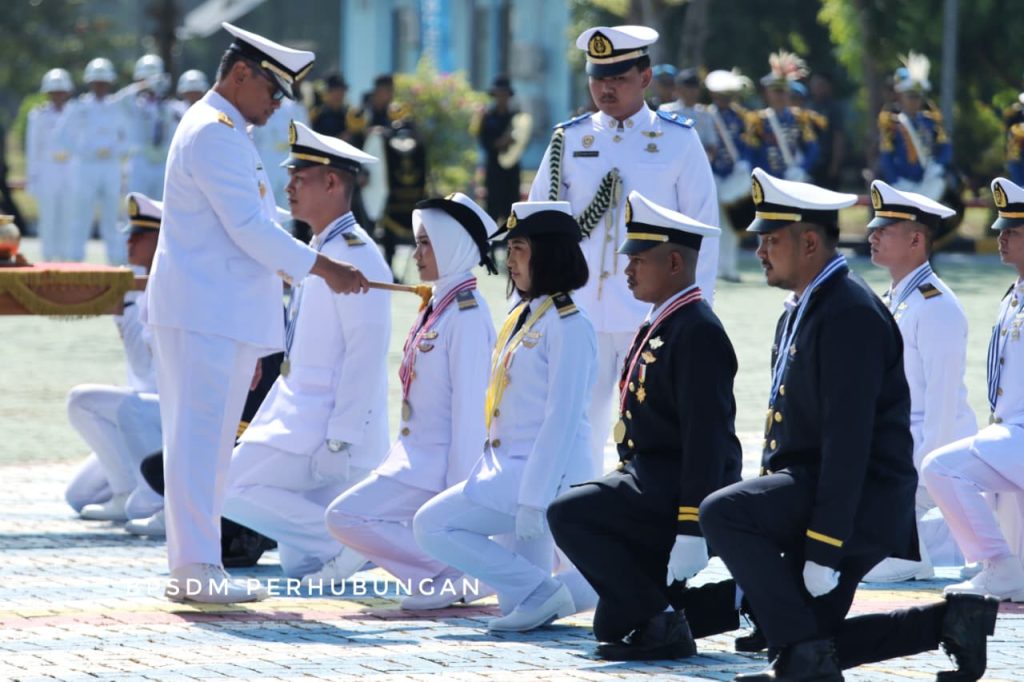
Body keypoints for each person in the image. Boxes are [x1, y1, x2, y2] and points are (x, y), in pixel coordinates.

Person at [698, 168, 1000, 682]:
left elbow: (849, 441)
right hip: (819, 493)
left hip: (856, 504)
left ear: (810, 241)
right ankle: (952, 623)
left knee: (723, 513)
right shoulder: (808, 304)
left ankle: (804, 657)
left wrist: (823, 544)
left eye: (771, 241)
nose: (760, 252)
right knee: (801, 638)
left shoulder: (847, 312)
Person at [146, 21, 369, 604]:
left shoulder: (225, 131)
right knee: (198, 447)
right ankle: (195, 570)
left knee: (209, 447)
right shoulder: (215, 133)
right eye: (272, 91)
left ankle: (198, 566)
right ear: (240, 74)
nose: (276, 105)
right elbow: (250, 232)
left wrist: (254, 340)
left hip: (217, 316)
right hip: (204, 314)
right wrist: (328, 269)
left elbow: (244, 238)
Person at [547, 191, 741, 661]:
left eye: (639, 260)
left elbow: (706, 439)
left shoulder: (696, 330)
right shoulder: (665, 319)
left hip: (675, 487)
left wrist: (692, 526)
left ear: (674, 262)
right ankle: (730, 602)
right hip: (649, 477)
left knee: (567, 514)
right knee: (611, 624)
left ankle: (667, 623)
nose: (627, 270)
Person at [529, 25, 719, 477]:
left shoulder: (677, 139)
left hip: (652, 316)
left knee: (648, 433)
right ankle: (569, 537)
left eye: (618, 77)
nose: (605, 88)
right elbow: (537, 227)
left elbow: (702, 232)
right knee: (572, 432)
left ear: (646, 77)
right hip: (581, 315)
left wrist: (695, 315)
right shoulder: (570, 140)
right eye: (598, 77)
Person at [222, 120, 391, 582]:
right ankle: (347, 540)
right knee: (299, 561)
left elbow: (366, 352)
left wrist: (342, 437)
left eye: (300, 177)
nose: (289, 187)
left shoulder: (354, 254)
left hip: (324, 425)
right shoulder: (322, 247)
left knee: (228, 487)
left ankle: (356, 542)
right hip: (299, 415)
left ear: (332, 183)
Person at [414, 200, 595, 632]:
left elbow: (561, 419)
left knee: (431, 525)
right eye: (509, 250)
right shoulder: (525, 315)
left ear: (548, 254)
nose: (509, 261)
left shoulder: (570, 324)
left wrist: (534, 499)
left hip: (541, 477)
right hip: (507, 469)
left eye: (519, 249)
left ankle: (586, 587)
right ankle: (565, 590)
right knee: (519, 603)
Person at [325, 192, 498, 608]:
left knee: (345, 517)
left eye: (427, 243)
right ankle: (450, 572)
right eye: (418, 242)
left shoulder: (468, 314)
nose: (417, 252)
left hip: (435, 466)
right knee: (348, 519)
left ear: (454, 247)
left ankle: (460, 571)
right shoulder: (440, 302)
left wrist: (458, 494)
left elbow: (471, 412)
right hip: (412, 458)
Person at [861, 180, 976, 583]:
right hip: (893, 448)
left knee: (861, 563)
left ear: (915, 239)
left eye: (884, 230)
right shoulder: (896, 298)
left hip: (920, 458)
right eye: (874, 228)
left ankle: (907, 548)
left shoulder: (935, 307)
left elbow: (943, 410)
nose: (871, 236)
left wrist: (919, 480)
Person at [922, 176, 1024, 603]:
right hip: (1009, 434)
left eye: (1012, 232)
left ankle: (999, 564)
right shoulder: (1013, 294)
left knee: (942, 467)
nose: (1000, 238)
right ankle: (1002, 565)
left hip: (1017, 436)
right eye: (999, 229)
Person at [64, 193, 164, 523]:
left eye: (139, 235)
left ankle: (130, 495)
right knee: (78, 496)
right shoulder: (127, 284)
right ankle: (134, 488)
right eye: (129, 233)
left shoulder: (175, 285)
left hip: (164, 411)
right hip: (140, 415)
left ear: (161, 238)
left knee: (82, 400)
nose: (129, 241)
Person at [68, 57, 129, 263]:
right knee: (81, 215)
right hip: (86, 166)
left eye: (104, 82)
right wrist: (84, 150)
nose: (100, 86)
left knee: (112, 216)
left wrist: (115, 150)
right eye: (97, 82)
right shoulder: (78, 107)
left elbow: (128, 136)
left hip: (110, 166)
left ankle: (116, 262)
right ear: (90, 83)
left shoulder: (117, 106)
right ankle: (76, 261)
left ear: (109, 83)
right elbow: (62, 137)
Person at [878, 52, 951, 200]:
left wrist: (938, 166)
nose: (915, 101)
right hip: (901, 184)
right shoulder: (891, 123)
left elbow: (946, 147)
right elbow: (886, 155)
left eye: (918, 96)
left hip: (928, 182)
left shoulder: (931, 121)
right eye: (910, 96)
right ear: (900, 97)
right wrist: (895, 180)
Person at [704, 68, 753, 283]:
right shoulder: (706, 115)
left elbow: (748, 144)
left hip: (734, 174)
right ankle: (713, 268)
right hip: (712, 174)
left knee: (733, 224)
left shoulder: (741, 117)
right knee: (712, 223)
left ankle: (729, 266)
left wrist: (744, 161)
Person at [744, 51, 819, 183]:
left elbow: (813, 148)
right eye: (776, 91)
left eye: (783, 91)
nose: (780, 95)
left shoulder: (799, 118)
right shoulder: (757, 120)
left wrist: (802, 169)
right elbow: (751, 151)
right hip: (768, 181)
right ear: (768, 93)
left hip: (794, 178)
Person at [25, 68, 76, 261]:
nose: (58, 96)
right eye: (54, 92)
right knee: (48, 217)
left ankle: (65, 259)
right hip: (48, 169)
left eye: (61, 91)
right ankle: (47, 257)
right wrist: (33, 178)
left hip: (70, 170)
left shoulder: (76, 112)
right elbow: (33, 148)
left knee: (68, 216)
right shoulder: (38, 115)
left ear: (68, 92)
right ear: (47, 93)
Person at [478, 75, 528, 224]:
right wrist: (500, 142)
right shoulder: (487, 117)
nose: (501, 97)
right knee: (492, 208)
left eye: (504, 94)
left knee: (511, 209)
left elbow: (522, 138)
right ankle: (491, 244)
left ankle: (510, 244)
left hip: (511, 169)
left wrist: (512, 140)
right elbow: (484, 142)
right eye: (498, 94)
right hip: (494, 168)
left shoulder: (515, 116)